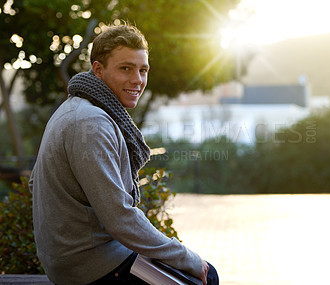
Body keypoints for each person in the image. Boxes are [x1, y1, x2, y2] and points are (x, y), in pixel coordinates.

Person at [29, 24, 218, 285]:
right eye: (125, 68)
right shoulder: (91, 123)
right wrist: (190, 259)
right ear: (98, 70)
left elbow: (34, 183)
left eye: (143, 70)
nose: (138, 80)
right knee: (205, 278)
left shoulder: (75, 108)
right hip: (94, 266)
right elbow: (120, 218)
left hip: (78, 259)